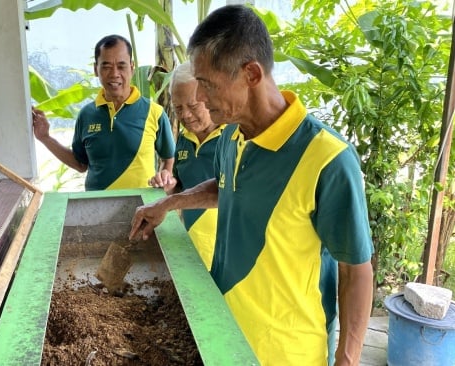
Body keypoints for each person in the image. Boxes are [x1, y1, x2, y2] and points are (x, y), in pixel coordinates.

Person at [129, 5, 374, 366]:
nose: (203, 98)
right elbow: (227, 187)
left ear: (252, 74)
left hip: (286, 352)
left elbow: (356, 270)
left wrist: (348, 359)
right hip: (223, 333)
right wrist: (168, 204)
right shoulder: (231, 135)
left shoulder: (327, 159)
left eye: (208, 85)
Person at [32, 34, 175, 191]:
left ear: (132, 68)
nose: (114, 74)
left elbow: (168, 158)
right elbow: (80, 164)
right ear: (95, 69)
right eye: (106, 66)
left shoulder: (154, 112)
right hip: (97, 207)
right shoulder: (86, 115)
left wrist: (165, 176)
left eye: (121, 66)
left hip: (143, 208)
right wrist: (45, 138)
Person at [148, 61, 224, 270]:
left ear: (209, 96)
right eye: (178, 108)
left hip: (227, 255)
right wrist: (169, 184)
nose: (185, 115)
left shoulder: (234, 136)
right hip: (194, 248)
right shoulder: (183, 139)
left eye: (192, 106)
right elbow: (182, 186)